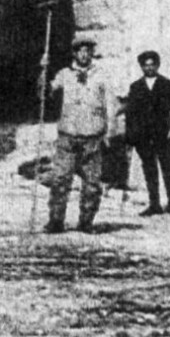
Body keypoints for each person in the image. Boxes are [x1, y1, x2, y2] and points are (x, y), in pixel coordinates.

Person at [45, 37, 121, 234]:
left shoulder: (101, 75)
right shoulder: (64, 74)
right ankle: (56, 220)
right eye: (80, 51)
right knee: (61, 179)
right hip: (68, 135)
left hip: (92, 136)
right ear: (74, 53)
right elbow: (45, 94)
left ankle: (86, 221)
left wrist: (109, 132)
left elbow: (111, 105)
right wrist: (42, 73)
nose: (84, 54)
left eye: (88, 51)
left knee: (92, 183)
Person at [124, 51, 170, 216]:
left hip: (163, 134)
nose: (149, 68)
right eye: (146, 65)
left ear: (158, 65)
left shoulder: (167, 84)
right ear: (142, 67)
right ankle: (154, 204)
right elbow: (130, 113)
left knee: (168, 168)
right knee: (149, 169)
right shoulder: (136, 87)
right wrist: (131, 136)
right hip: (144, 136)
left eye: (152, 65)